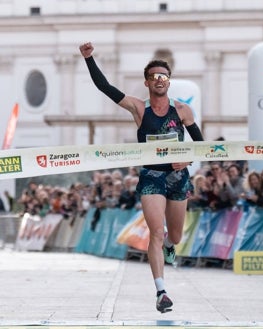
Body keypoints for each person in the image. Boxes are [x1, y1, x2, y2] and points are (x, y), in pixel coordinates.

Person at [79, 42, 204, 313]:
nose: (159, 81)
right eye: (154, 77)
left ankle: (172, 246)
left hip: (178, 177)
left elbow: (200, 144)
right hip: (151, 177)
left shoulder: (182, 110)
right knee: (156, 233)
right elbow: (106, 88)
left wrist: (188, 158)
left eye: (164, 77)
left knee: (176, 237)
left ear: (168, 82)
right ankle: (161, 292)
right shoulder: (138, 108)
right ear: (147, 82)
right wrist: (89, 59)